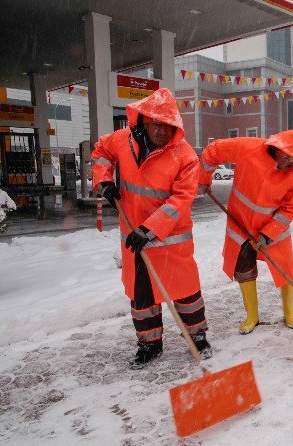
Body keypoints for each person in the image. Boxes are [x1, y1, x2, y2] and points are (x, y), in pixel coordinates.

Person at [92, 88, 209, 369]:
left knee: (185, 294)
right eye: (157, 124)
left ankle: (198, 338)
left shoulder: (185, 156)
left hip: (171, 239)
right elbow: (100, 153)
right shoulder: (122, 141)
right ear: (142, 121)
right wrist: (104, 181)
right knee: (142, 296)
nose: (163, 131)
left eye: (169, 125)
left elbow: (180, 200)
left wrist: (150, 228)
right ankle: (149, 345)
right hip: (134, 238)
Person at [199, 130, 293, 335]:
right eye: (288, 159)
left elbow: (291, 208)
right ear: (278, 150)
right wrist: (203, 178)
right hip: (241, 224)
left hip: (273, 229)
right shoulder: (248, 148)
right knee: (244, 268)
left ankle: (289, 310)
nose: (292, 165)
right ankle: (252, 315)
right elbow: (213, 151)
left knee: (284, 268)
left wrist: (268, 233)